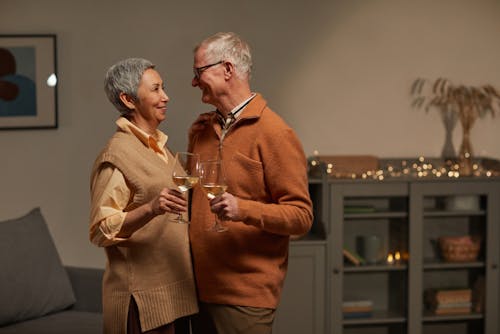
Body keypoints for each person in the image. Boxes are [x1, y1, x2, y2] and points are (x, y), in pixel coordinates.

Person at [187, 32, 313, 334]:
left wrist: (242, 209)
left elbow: (301, 217)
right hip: (197, 290)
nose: (193, 82)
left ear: (228, 69)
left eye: (199, 72)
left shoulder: (275, 133)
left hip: (245, 297)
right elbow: (196, 199)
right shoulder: (202, 130)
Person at [89, 58, 198, 334]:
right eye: (156, 89)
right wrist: (151, 208)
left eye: (164, 88)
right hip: (143, 303)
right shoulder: (116, 155)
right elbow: (101, 231)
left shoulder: (160, 147)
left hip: (178, 295)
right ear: (128, 99)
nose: (166, 97)